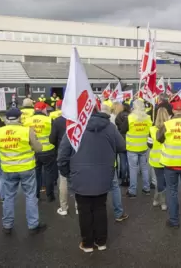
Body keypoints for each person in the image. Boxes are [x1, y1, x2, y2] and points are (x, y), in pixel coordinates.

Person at [57, 105, 126, 253]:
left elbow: (62, 156)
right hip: (103, 175)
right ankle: (101, 242)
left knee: (84, 210)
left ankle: (87, 243)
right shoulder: (110, 127)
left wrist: (67, 174)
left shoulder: (73, 128)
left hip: (79, 176)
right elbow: (122, 146)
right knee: (100, 207)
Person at [0, 108, 46, 235]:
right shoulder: (27, 131)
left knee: (8, 197)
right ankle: (33, 225)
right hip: (26, 168)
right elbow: (38, 148)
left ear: (7, 118)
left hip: (8, 169)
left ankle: (7, 225)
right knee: (30, 196)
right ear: (19, 118)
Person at [24, 102, 57, 202]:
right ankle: (50, 195)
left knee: (36, 174)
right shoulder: (49, 120)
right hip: (48, 150)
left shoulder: (27, 121)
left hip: (33, 151)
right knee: (48, 173)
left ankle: (36, 195)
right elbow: (54, 134)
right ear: (43, 110)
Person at [121, 100, 152, 198]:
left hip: (132, 147)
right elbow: (151, 130)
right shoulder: (148, 118)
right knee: (144, 168)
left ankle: (132, 191)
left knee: (133, 170)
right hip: (143, 147)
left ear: (133, 107)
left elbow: (122, 129)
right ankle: (146, 188)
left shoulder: (130, 118)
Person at [49, 104, 70, 216]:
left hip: (62, 153)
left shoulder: (57, 121)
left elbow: (52, 139)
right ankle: (78, 206)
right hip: (77, 152)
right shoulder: (79, 119)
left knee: (63, 180)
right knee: (77, 179)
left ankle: (64, 207)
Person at [147, 107, 170, 210]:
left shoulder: (151, 129)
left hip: (156, 160)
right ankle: (162, 201)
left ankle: (158, 200)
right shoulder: (170, 129)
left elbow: (149, 145)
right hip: (168, 159)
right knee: (163, 182)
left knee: (160, 181)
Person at [116, 102, 131, 186]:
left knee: (122, 161)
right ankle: (129, 177)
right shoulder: (131, 116)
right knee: (129, 162)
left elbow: (118, 125)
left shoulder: (119, 115)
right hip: (130, 140)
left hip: (121, 140)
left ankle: (123, 178)